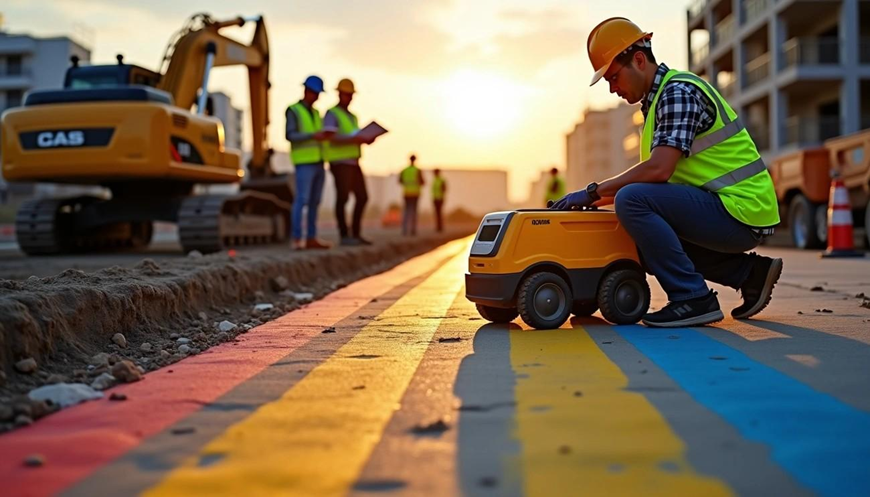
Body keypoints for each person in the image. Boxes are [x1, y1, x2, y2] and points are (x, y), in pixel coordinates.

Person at [550, 17, 782, 328]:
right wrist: (590, 202)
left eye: (614, 77)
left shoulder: (678, 92)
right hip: (724, 209)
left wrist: (595, 190)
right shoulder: (656, 104)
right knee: (637, 233)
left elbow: (657, 171)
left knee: (632, 202)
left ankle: (692, 298)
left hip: (740, 209)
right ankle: (749, 274)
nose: (612, 88)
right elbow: (655, 186)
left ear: (639, 59)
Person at [324, 78, 375, 246]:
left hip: (353, 162)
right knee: (343, 197)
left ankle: (355, 234)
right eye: (346, 94)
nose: (349, 97)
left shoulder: (352, 117)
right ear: (339, 94)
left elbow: (354, 137)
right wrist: (353, 139)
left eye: (350, 95)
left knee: (362, 197)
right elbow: (330, 138)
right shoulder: (332, 114)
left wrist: (365, 139)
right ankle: (344, 235)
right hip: (339, 162)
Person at [286, 75, 332, 250]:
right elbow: (290, 135)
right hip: (304, 162)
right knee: (302, 200)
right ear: (307, 91)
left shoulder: (315, 114)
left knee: (315, 201)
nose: (317, 97)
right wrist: (313, 136)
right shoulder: (294, 110)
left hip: (319, 161)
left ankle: (311, 238)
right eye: (315, 93)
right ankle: (297, 238)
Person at [399, 154, 424, 236]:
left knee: (406, 211)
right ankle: (413, 230)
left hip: (406, 193)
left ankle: (404, 230)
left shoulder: (404, 170)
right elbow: (422, 182)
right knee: (414, 211)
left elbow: (400, 181)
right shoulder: (417, 170)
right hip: (415, 193)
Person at [431, 168, 447, 232]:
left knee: (439, 213)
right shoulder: (435, 180)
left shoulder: (441, 180)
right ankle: (438, 226)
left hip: (440, 198)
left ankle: (440, 227)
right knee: (437, 213)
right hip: (435, 198)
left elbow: (444, 188)